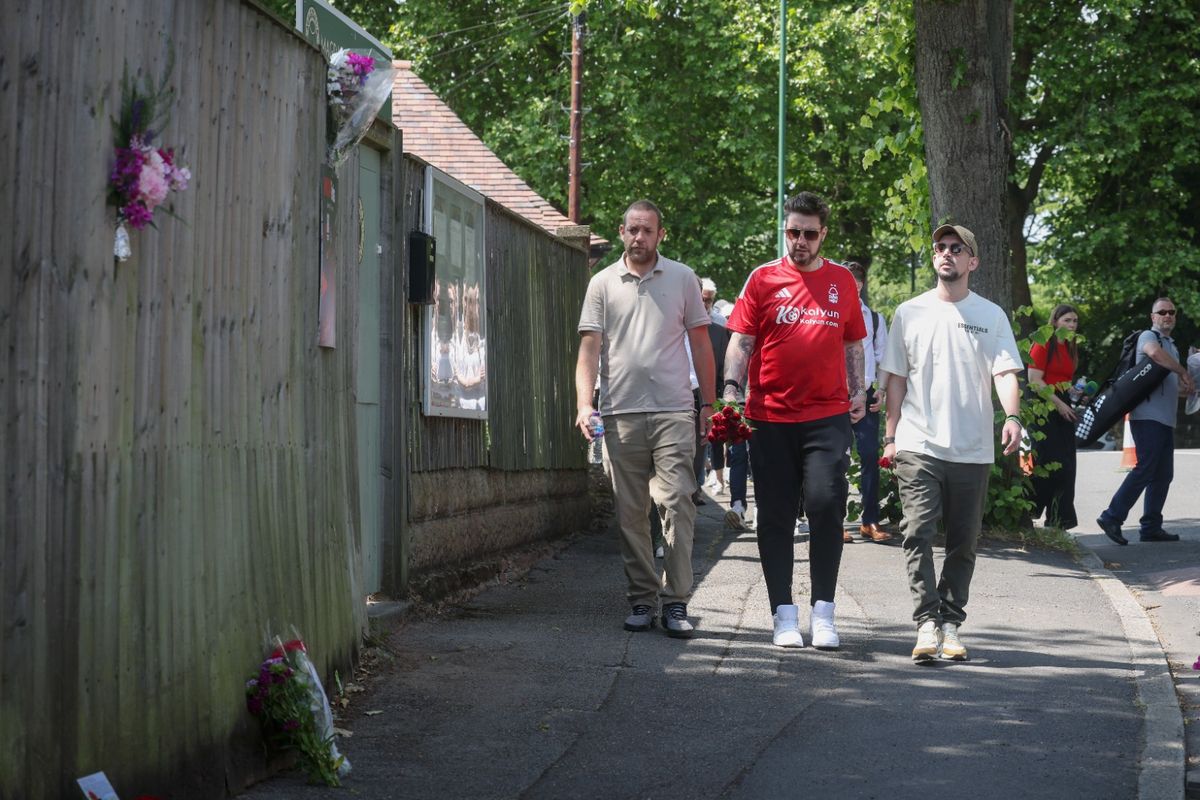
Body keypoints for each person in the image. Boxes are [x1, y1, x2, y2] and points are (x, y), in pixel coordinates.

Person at [723, 191, 867, 650]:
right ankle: (783, 613)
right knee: (776, 514)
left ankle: (823, 612)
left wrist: (858, 389)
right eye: (792, 232)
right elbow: (741, 341)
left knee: (827, 504)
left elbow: (853, 343)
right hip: (770, 415)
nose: (799, 241)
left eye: (808, 233)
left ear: (822, 234)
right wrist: (731, 392)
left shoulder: (842, 282)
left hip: (828, 413)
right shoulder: (763, 279)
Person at [880, 224, 1023, 663]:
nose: (946, 254)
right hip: (918, 443)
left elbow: (1004, 372)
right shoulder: (909, 311)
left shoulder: (992, 315)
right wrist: (890, 436)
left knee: (964, 541)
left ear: (972, 261)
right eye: (940, 248)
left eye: (956, 249)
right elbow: (896, 380)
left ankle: (951, 623)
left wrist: (1013, 416)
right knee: (918, 532)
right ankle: (926, 621)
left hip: (972, 448)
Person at [575, 199, 716, 638]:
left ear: (661, 234)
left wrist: (708, 404)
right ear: (621, 232)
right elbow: (589, 349)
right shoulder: (601, 283)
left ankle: (675, 602)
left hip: (674, 410)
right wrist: (585, 404)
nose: (639, 237)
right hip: (620, 413)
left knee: (677, 503)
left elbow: (701, 343)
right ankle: (642, 598)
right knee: (631, 512)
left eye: (647, 230)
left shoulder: (682, 278)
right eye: (632, 230)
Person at [1096, 298, 1195, 545]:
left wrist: (1190, 388)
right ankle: (1112, 516)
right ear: (1153, 317)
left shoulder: (1172, 346)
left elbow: (1171, 386)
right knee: (1145, 468)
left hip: (1165, 419)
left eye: (1172, 312)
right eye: (1162, 312)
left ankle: (1151, 527)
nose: (1168, 315)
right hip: (1147, 416)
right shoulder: (1148, 338)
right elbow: (1154, 355)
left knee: (1163, 475)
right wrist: (1182, 371)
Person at [844, 261, 892, 543]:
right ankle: (833, 521)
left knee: (870, 459)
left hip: (869, 392)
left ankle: (870, 520)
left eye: (856, 279)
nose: (853, 283)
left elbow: (883, 358)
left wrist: (882, 392)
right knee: (835, 460)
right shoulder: (833, 315)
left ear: (861, 284)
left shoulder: (874, 318)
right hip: (837, 395)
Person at [1026, 304, 1081, 530]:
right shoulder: (1043, 343)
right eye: (1067, 320)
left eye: (1075, 321)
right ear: (1056, 321)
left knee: (1067, 464)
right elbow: (1034, 380)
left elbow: (1063, 379)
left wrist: (1074, 392)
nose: (1072, 325)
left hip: (1063, 402)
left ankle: (1059, 521)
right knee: (1048, 462)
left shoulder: (1069, 347)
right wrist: (1058, 404)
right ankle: (1028, 511)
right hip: (1043, 407)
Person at [702, 279, 730, 494]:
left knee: (717, 437)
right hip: (689, 390)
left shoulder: (720, 325)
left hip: (715, 388)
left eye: (709, 300)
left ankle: (719, 476)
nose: (705, 303)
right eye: (702, 299)